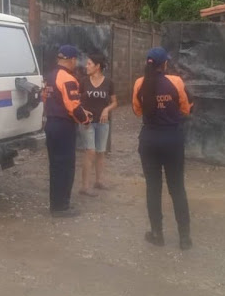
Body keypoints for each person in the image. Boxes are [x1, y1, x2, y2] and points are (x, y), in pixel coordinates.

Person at [132, 47, 194, 250]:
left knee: (153, 188)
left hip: (149, 139)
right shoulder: (175, 82)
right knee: (177, 188)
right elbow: (185, 109)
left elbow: (137, 110)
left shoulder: (139, 84)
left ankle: (157, 234)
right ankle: (184, 238)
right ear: (164, 64)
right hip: (172, 139)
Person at [42, 45, 92, 217]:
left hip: (51, 124)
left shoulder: (49, 76)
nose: (76, 63)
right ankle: (62, 206)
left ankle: (55, 204)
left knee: (55, 166)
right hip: (64, 127)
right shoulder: (68, 79)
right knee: (66, 166)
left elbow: (45, 99)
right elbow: (73, 106)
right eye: (76, 60)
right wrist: (85, 120)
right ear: (71, 59)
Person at [78, 53, 118, 196]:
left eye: (89, 64)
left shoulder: (109, 82)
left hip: (103, 123)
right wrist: (82, 111)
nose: (86, 66)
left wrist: (106, 110)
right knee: (90, 152)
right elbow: (75, 101)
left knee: (101, 152)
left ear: (97, 66)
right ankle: (84, 186)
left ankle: (99, 181)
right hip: (87, 123)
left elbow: (114, 102)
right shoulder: (83, 82)